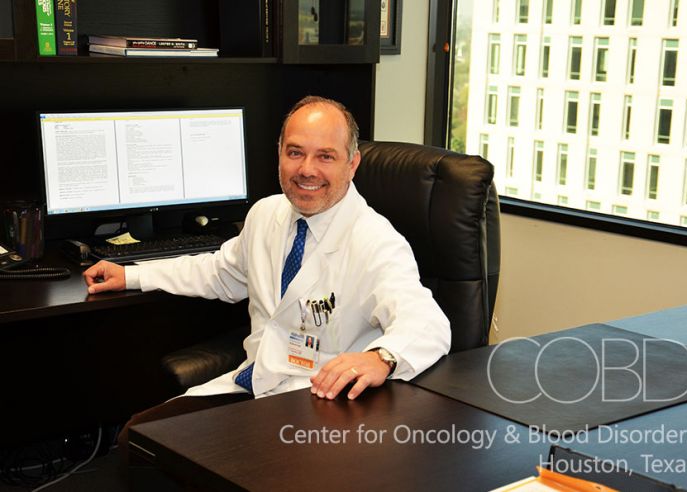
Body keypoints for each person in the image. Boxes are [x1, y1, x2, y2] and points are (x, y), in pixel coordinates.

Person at [84, 96, 450, 424]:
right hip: (255, 384)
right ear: (279, 154)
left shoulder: (375, 241)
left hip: (318, 404)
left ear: (352, 164)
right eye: (295, 152)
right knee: (141, 438)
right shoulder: (266, 214)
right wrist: (132, 275)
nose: (307, 169)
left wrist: (382, 357)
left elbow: (428, 323)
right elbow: (219, 272)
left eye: (325, 156)